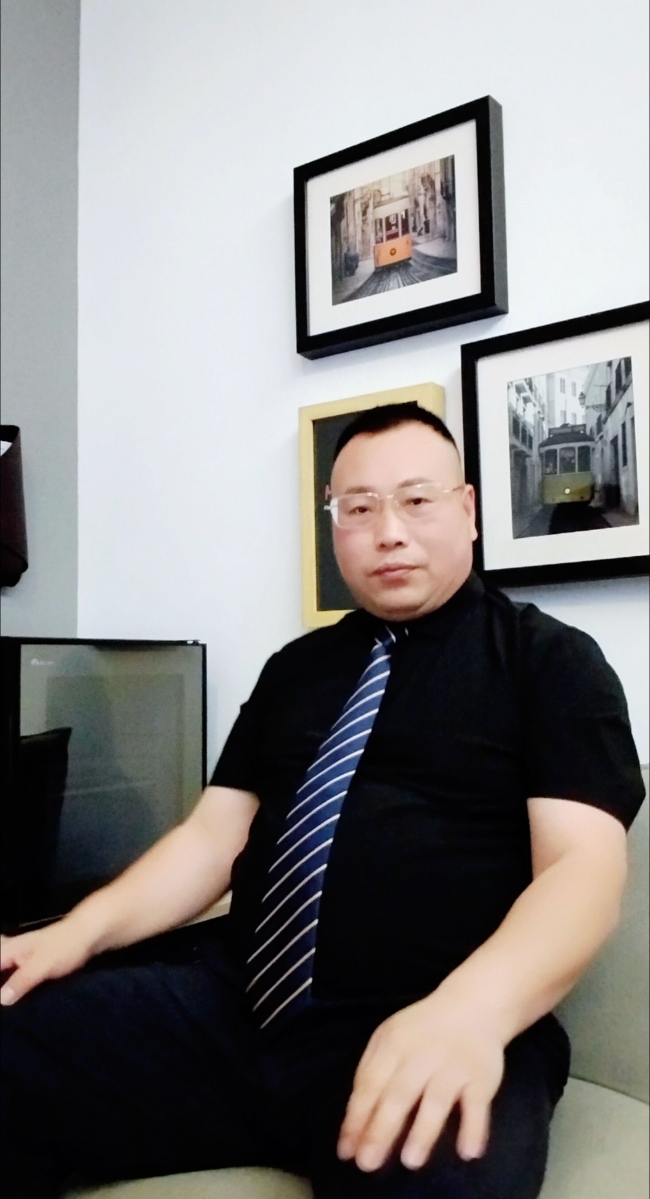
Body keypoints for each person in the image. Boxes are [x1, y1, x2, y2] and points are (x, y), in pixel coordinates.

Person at [1, 403, 644, 1199]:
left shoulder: (551, 661)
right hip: (235, 1008)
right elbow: (211, 839)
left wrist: (471, 1011)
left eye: (417, 500)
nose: (389, 532)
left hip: (428, 1017)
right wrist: (78, 930)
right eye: (359, 508)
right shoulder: (296, 668)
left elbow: (583, 869)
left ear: (469, 510)